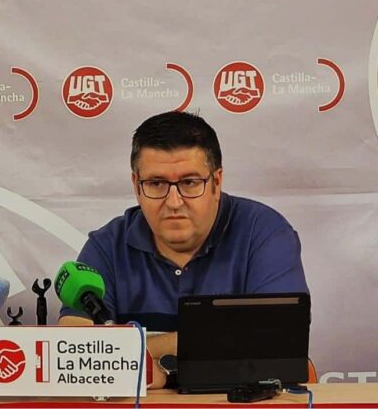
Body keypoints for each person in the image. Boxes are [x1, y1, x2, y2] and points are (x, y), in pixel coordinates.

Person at [58, 111, 308, 388]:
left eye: (189, 183)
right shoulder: (107, 246)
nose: (174, 202)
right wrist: (216, 341)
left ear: (216, 183)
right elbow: (74, 351)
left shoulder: (264, 233)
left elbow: (279, 343)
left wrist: (142, 355)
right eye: (156, 184)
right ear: (136, 186)